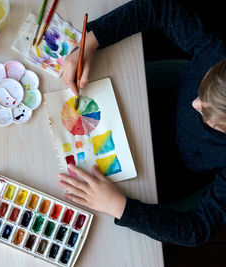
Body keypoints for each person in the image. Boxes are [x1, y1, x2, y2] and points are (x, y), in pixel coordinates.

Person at [58, 0, 226, 246]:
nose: (195, 105)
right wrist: (92, 41)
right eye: (202, 93)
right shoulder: (217, 53)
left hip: (158, 173)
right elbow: (158, 8)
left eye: (211, 119)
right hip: (143, 106)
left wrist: (120, 206)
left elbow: (197, 228)